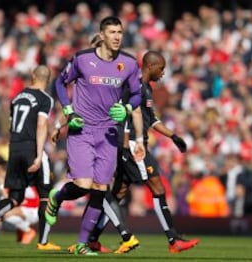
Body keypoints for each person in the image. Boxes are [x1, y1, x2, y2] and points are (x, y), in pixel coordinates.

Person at [69, 51, 200, 254]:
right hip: (131, 147)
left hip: (135, 145)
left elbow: (152, 120)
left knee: (118, 193)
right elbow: (117, 109)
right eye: (161, 68)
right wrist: (124, 140)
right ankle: (173, 240)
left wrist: (173, 136)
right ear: (150, 66)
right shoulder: (132, 85)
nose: (163, 73)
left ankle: (92, 239)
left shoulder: (145, 88)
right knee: (157, 186)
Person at [45, 16, 145, 255]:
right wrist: (68, 112)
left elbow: (138, 94)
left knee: (100, 189)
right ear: (101, 35)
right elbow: (60, 83)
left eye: (120, 32)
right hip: (82, 129)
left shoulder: (129, 63)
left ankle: (81, 243)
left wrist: (128, 108)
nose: (117, 36)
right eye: (112, 32)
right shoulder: (82, 59)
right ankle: (57, 197)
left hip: (109, 133)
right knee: (83, 184)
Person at [0, 65, 60, 251]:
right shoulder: (45, 98)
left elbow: (13, 126)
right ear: (49, 78)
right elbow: (41, 125)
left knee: (15, 197)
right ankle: (43, 242)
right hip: (31, 147)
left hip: (14, 149)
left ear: (31, 75)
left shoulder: (18, 97)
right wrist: (38, 156)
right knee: (46, 195)